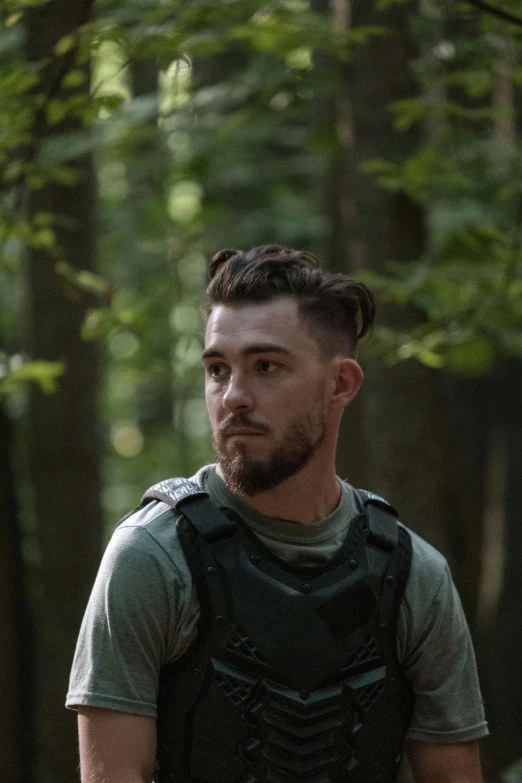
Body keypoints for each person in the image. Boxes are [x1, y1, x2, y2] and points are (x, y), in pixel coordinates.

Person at [67, 245, 488, 783]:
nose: (234, 397)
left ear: (341, 385)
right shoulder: (154, 558)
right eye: (218, 369)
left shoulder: (413, 576)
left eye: (266, 367)